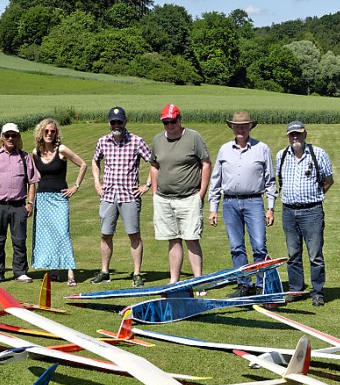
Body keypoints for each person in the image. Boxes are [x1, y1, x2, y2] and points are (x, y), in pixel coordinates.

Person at [207, 111, 275, 292]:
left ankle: (261, 285)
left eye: (244, 126)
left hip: (254, 202)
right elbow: (216, 180)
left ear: (250, 126)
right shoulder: (224, 150)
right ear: (232, 128)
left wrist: (270, 208)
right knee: (236, 247)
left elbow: (270, 181)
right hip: (230, 203)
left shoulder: (262, 148)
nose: (240, 130)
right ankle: (244, 284)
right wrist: (213, 209)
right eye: (237, 126)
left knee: (259, 246)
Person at [274, 121, 334, 306]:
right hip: (288, 211)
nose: (295, 137)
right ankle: (296, 290)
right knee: (293, 254)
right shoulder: (281, 155)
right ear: (287, 136)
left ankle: (317, 292)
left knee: (315, 255)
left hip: (312, 211)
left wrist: (315, 195)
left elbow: (328, 180)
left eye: (298, 134)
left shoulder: (318, 154)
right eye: (292, 134)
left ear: (305, 134)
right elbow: (279, 179)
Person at [148, 103, 211, 283]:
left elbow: (206, 163)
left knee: (191, 239)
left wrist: (201, 193)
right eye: (166, 122)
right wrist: (154, 192)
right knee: (173, 240)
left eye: (173, 121)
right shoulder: (158, 140)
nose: (170, 126)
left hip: (189, 198)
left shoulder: (193, 137)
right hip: (164, 199)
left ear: (180, 120)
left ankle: (198, 281)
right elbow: (154, 165)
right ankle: (174, 281)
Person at [90, 106, 152, 285]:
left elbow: (154, 162)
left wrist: (147, 185)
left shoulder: (137, 141)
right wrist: (97, 183)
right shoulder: (103, 141)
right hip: (108, 195)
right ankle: (104, 271)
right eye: (113, 122)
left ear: (125, 122)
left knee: (134, 235)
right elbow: (95, 161)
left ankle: (137, 274)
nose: (116, 125)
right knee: (105, 234)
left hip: (130, 196)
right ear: (109, 123)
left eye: (119, 121)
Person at [29, 117, 88, 285]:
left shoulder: (61, 149)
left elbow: (83, 165)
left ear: (56, 134)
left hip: (59, 198)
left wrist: (75, 186)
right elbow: (36, 175)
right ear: (41, 133)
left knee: (63, 233)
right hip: (42, 198)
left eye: (52, 131)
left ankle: (70, 273)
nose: (49, 134)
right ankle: (53, 270)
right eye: (46, 131)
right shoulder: (36, 152)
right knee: (47, 235)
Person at [0, 122, 37, 282]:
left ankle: (20, 272)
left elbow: (32, 183)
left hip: (19, 205)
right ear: (2, 137)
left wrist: (30, 203)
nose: (10, 138)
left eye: (14, 135)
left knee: (19, 240)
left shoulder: (25, 157)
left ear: (18, 137)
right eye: (7, 135)